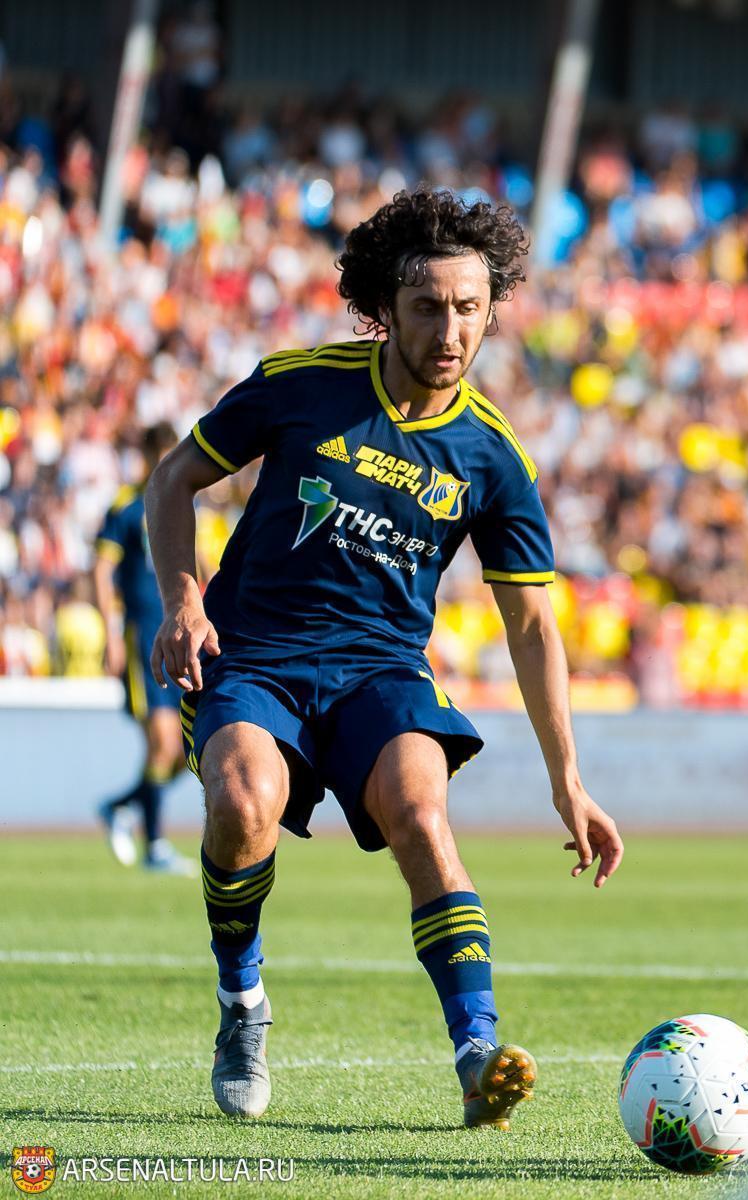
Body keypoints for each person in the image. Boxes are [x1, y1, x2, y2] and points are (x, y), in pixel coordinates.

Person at [144, 188, 623, 1127]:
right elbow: (173, 480)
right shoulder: (301, 383)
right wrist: (181, 600)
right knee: (241, 802)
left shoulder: (493, 458)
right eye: (427, 307)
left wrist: (568, 780)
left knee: (421, 812)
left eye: (469, 308)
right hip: (257, 657)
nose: (450, 331)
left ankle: (479, 1054)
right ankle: (242, 1001)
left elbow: (533, 627)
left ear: (493, 309)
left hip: (381, 671)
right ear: (384, 309)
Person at [96, 423, 196, 875]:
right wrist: (111, 633)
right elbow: (102, 570)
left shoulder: (185, 506)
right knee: (162, 740)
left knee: (181, 753)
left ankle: (120, 806)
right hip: (142, 636)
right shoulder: (127, 507)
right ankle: (154, 845)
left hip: (179, 638)